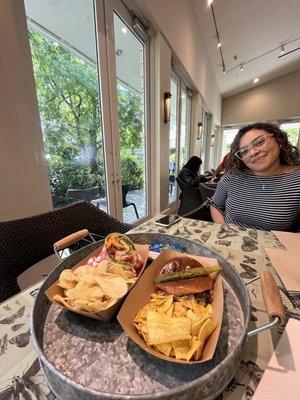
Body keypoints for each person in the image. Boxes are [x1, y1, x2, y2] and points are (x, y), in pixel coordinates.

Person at [210, 122, 300, 231]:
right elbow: (215, 205)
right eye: (244, 151)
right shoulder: (232, 177)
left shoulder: (296, 180)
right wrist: (225, 229)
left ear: (279, 140)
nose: (253, 152)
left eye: (259, 142)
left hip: (276, 246)